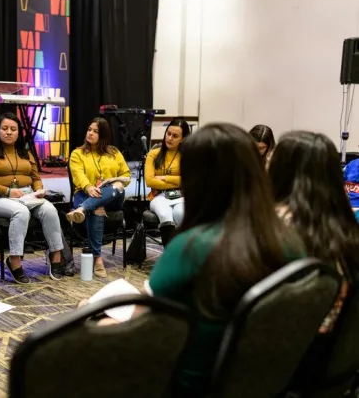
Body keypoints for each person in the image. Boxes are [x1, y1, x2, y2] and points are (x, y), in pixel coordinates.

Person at [81, 123, 304, 396]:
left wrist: (96, 317)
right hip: (257, 380)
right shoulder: (288, 240)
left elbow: (140, 326)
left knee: (92, 318)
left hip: (189, 382)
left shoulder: (191, 247)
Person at [269, 132, 359, 334]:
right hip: (335, 350)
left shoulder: (270, 223)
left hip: (283, 347)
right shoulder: (347, 223)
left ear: (279, 170)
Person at [0, 112, 64, 283]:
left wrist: (38, 190)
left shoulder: (26, 153)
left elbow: (36, 178)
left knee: (50, 210)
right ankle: (14, 260)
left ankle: (56, 256)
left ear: (18, 133)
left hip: (27, 195)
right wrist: (8, 192)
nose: (8, 132)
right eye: (4, 128)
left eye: (13, 129)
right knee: (21, 212)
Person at [67, 117, 131, 277]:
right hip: (84, 194)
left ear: (103, 135)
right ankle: (97, 258)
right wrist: (88, 187)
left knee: (118, 185)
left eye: (95, 131)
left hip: (112, 198)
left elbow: (126, 175)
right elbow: (78, 175)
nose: (91, 133)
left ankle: (82, 209)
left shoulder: (114, 153)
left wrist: (111, 182)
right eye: (89, 129)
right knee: (97, 207)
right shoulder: (77, 153)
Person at [144, 118, 191, 246]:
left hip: (180, 196)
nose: (169, 138)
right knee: (165, 215)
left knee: (180, 213)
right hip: (158, 196)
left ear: (183, 139)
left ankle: (185, 253)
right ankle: (169, 257)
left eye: (175, 136)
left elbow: (189, 180)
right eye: (168, 133)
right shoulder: (153, 154)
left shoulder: (187, 155)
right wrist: (178, 180)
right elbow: (149, 181)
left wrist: (165, 178)